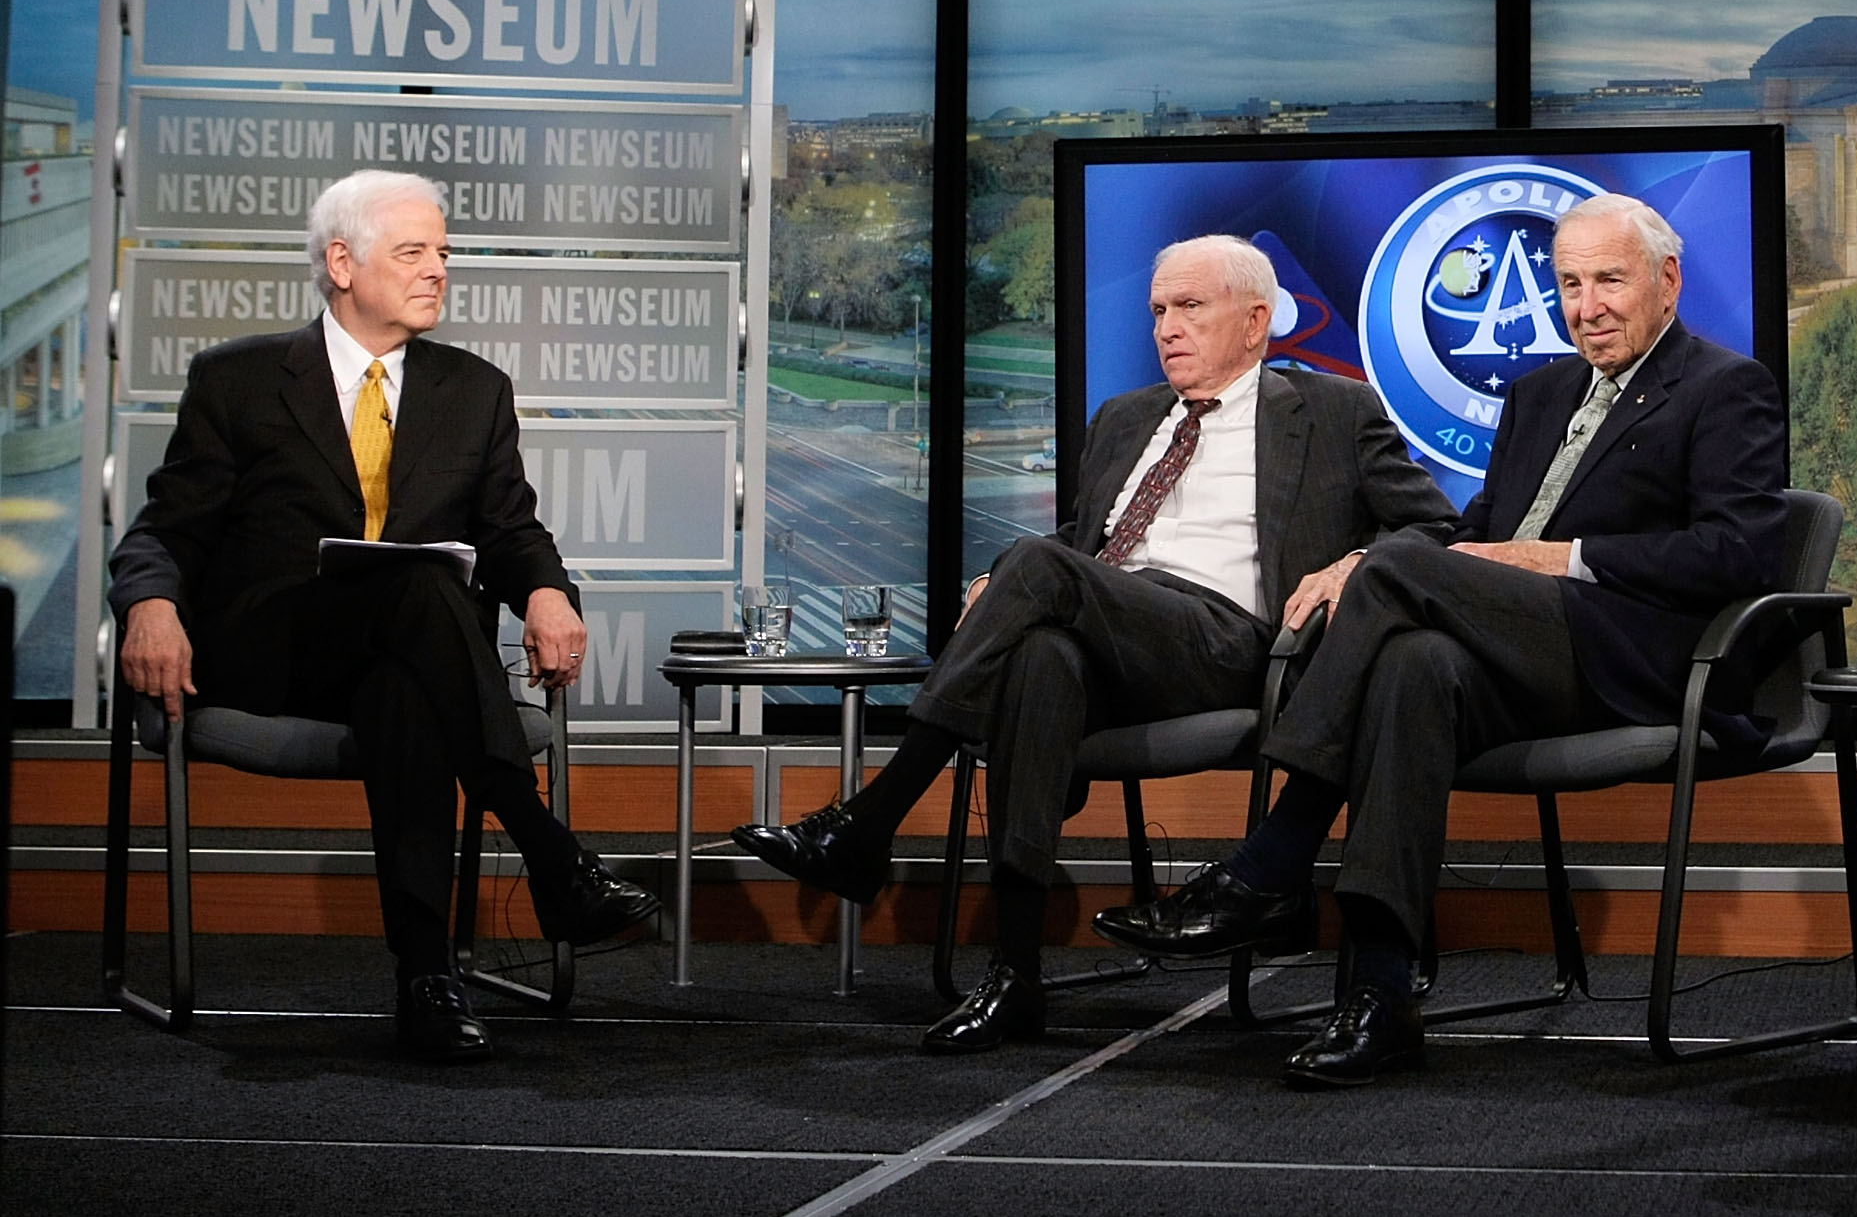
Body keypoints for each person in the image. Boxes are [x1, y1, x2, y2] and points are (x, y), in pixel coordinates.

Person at [1097, 193, 1788, 1089]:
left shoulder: (1725, 386)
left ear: (1667, 280)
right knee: (1412, 665)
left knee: (1395, 573)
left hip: (1640, 659)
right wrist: (1359, 562)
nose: (1588, 306)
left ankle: (1273, 859)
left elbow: (1738, 551)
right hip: (1519, 657)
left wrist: (1564, 557)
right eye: (1570, 284)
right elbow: (1471, 531)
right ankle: (1382, 997)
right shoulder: (1540, 392)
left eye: (1610, 281)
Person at [732, 234, 1457, 1052]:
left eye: (1190, 307)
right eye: (1157, 311)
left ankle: (872, 820)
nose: (1167, 328)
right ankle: (1015, 978)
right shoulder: (1124, 418)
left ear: (1256, 322)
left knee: (1039, 572)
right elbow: (1084, 539)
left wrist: (1355, 563)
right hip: (1115, 632)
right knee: (1040, 657)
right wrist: (1002, 583)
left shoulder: (1333, 410)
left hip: (1228, 642)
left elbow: (1434, 525)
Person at [110, 170, 657, 1062]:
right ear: (340, 262)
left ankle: (427, 982)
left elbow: (511, 531)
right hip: (275, 650)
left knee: (407, 676)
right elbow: (162, 530)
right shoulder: (239, 380)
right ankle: (550, 855)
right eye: (414, 253)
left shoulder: (474, 390)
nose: (438, 270)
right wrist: (150, 606)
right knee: (423, 592)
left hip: (411, 662)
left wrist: (550, 593)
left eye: (443, 253)